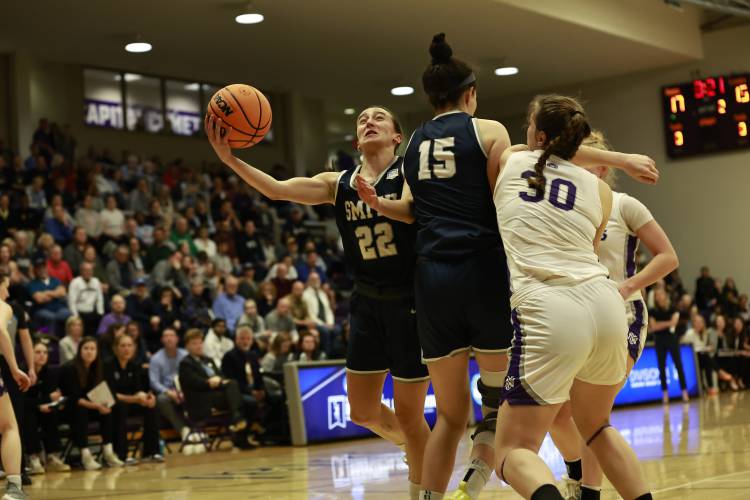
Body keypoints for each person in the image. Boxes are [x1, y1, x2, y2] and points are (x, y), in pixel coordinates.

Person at [209, 103, 433, 494]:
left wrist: (379, 202)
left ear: (397, 137)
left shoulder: (409, 171)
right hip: (366, 302)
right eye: (362, 119)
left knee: (412, 414)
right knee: (362, 410)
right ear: (356, 139)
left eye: (379, 117)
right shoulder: (339, 183)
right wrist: (230, 159)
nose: (369, 121)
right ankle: (415, 448)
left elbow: (414, 212)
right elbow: (277, 191)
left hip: (409, 301)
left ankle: (424, 485)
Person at [492, 93, 653, 500]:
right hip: (606, 306)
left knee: (512, 451)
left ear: (539, 133)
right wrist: (624, 160)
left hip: (550, 306)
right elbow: (594, 240)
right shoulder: (599, 192)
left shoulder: (511, 159)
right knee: (597, 426)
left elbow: (542, 154)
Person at [547, 130, 679, 500]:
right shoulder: (561, 209)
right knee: (557, 414)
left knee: (590, 416)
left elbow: (668, 257)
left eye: (583, 160)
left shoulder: (624, 205)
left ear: (602, 167)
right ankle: (576, 473)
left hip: (622, 315)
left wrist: (625, 287)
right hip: (576, 318)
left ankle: (589, 491)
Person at [178, 329, 252, 449]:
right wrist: (209, 383)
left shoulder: (208, 360)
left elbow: (221, 375)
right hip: (202, 399)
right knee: (235, 390)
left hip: (219, 395)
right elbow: (194, 383)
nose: (198, 346)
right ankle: (236, 419)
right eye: (194, 343)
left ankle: (241, 435)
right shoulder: (186, 364)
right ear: (187, 346)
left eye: (200, 342)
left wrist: (219, 381)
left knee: (250, 402)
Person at [58, 337, 122, 470]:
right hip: (70, 409)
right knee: (81, 411)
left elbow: (107, 390)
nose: (89, 352)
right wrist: (98, 406)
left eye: (92, 349)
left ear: (97, 352)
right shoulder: (70, 368)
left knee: (111, 410)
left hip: (91, 407)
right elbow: (75, 399)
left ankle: (108, 451)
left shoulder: (100, 367)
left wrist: (105, 405)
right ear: (80, 351)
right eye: (86, 348)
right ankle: (85, 455)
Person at [104, 333, 162, 462]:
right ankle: (121, 455)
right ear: (115, 348)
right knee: (120, 408)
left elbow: (137, 390)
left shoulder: (135, 365)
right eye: (123, 345)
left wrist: (147, 397)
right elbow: (111, 394)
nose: (127, 349)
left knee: (151, 407)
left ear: (134, 348)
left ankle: (151, 452)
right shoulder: (108, 365)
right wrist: (135, 399)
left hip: (130, 403)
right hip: (113, 404)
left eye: (130, 345)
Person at [0, 270, 31, 500]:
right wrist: (14, 368)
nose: (8, 292)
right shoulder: (3, 306)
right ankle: (14, 487)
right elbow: (0, 330)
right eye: (6, 286)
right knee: (9, 426)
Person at [24, 341, 70, 474]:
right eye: (38, 352)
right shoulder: (23, 371)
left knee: (52, 414)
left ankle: (52, 456)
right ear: (30, 354)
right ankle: (33, 457)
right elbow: (23, 401)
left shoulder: (49, 372)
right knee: (29, 416)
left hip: (41, 410)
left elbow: (51, 397)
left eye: (45, 352)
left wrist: (53, 404)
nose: (42, 355)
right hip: (24, 411)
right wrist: (44, 402)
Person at [149, 328, 192, 452]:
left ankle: (199, 430)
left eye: (171, 335)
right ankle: (183, 430)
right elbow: (154, 382)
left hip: (185, 390)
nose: (169, 338)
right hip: (167, 392)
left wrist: (184, 391)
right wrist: (169, 392)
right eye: (166, 336)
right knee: (161, 399)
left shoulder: (185, 355)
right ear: (162, 340)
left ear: (177, 339)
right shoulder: (156, 358)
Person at [649, 288, 689, 403]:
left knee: (678, 365)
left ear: (665, 296)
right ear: (655, 298)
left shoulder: (673, 308)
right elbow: (654, 327)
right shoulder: (652, 310)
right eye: (657, 295)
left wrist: (659, 324)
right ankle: (665, 394)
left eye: (661, 294)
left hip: (672, 339)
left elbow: (674, 323)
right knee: (661, 367)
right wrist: (667, 323)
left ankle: (684, 392)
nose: (659, 296)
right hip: (659, 340)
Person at [28, 258, 70, 336]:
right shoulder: (32, 284)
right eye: (39, 268)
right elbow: (39, 299)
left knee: (69, 314)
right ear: (35, 271)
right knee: (51, 318)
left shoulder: (55, 280)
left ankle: (67, 338)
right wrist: (55, 293)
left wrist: (46, 293)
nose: (42, 270)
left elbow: (63, 292)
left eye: (43, 267)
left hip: (58, 308)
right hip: (41, 310)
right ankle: (49, 339)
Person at [682, 315, 719, 395]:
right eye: (697, 322)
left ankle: (710, 387)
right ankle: (718, 373)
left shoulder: (704, 334)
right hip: (691, 360)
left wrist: (705, 348)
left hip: (701, 358)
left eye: (700, 322)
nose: (699, 324)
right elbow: (688, 349)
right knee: (706, 358)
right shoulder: (690, 333)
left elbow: (701, 348)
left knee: (707, 360)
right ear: (693, 323)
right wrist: (705, 348)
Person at [67, 262, 105, 336]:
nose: (88, 272)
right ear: (81, 271)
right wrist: (76, 317)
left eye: (90, 270)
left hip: (92, 312)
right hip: (80, 313)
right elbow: (72, 302)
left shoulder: (96, 281)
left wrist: (101, 313)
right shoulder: (75, 282)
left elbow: (100, 299)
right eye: (86, 270)